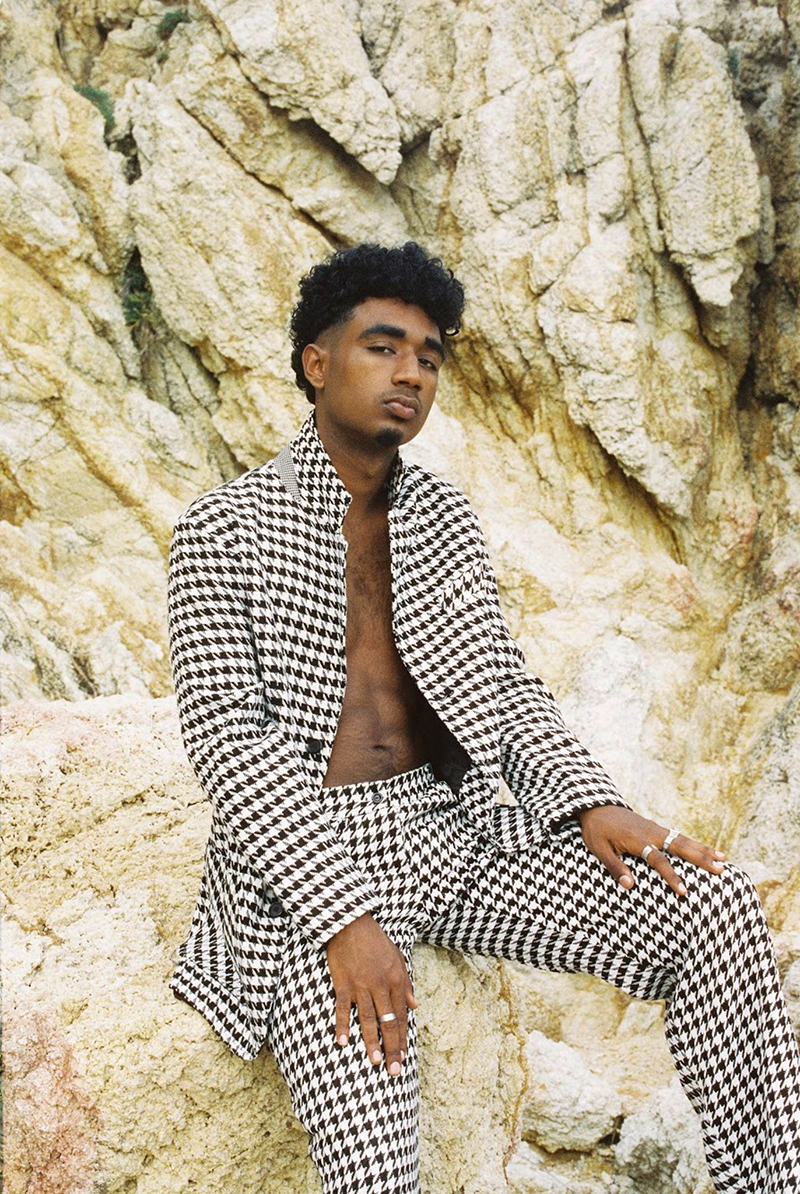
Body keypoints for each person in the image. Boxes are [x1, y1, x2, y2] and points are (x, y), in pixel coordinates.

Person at [167, 241, 800, 1194]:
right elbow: (231, 744)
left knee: (711, 907)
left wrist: (591, 803)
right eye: (384, 346)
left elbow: (499, 688)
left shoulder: (444, 520)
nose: (411, 373)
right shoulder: (223, 527)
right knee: (375, 1164)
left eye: (429, 357)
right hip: (310, 867)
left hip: (453, 836)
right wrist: (344, 916)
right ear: (317, 363)